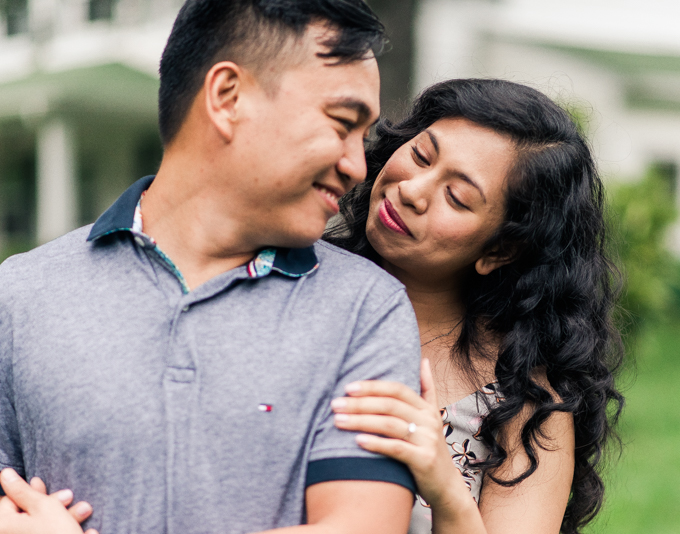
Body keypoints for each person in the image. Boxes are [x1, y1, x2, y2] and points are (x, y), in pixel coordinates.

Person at [0, 1, 421, 533]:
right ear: (228, 97)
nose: (358, 166)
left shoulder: (367, 310)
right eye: (342, 124)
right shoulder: (19, 294)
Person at [323, 78, 625, 534]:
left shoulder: (524, 405)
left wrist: (443, 485)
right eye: (422, 155)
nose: (412, 190)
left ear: (500, 251)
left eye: (457, 197)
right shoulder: (289, 281)